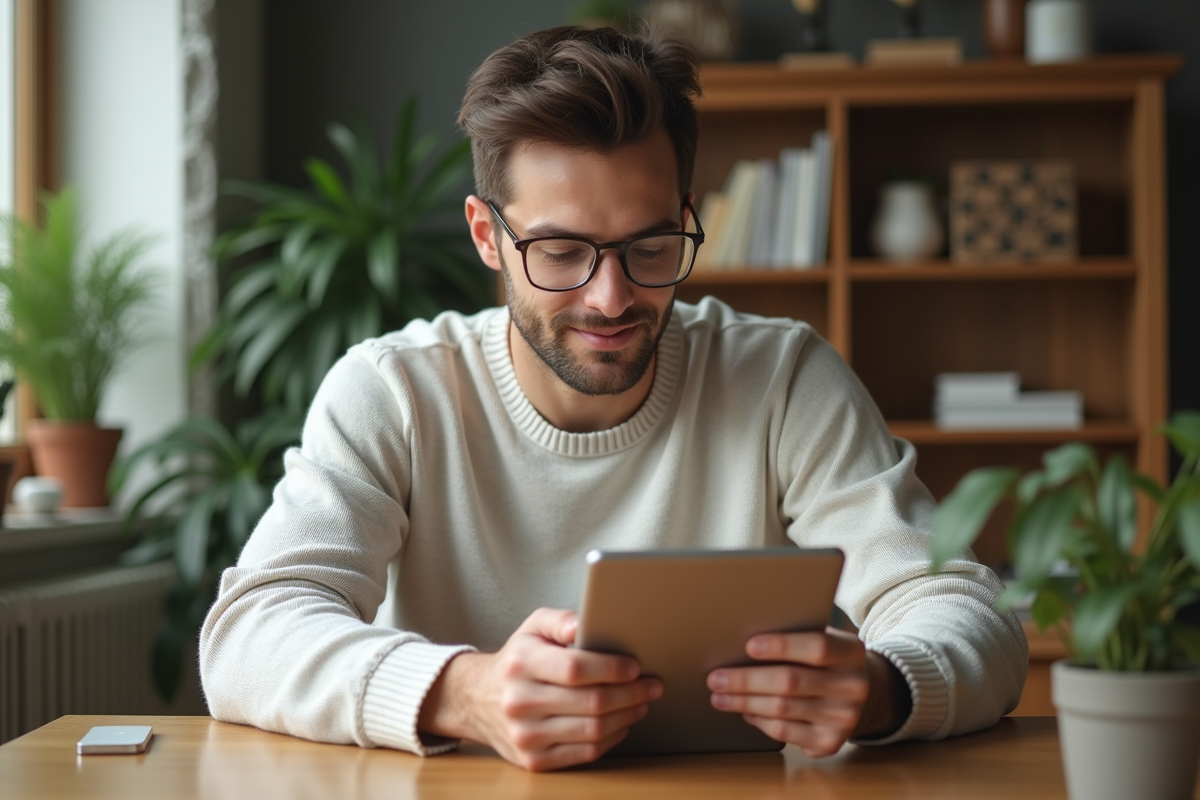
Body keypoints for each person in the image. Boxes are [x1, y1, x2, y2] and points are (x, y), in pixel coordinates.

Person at [199, 25, 1027, 773]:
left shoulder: (783, 379)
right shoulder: (393, 391)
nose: (611, 297)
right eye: (561, 251)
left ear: (686, 220)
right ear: (488, 236)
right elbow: (250, 631)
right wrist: (463, 692)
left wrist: (885, 689)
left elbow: (964, 609)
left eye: (650, 245)